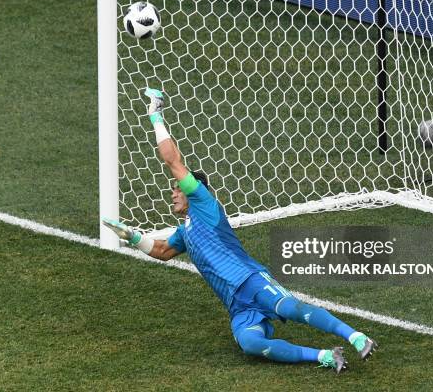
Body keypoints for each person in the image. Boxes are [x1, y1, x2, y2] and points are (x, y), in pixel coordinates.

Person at [103, 88, 376, 373]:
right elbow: (162, 251)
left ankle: (356, 336)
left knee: (291, 309)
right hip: (237, 304)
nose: (173, 194)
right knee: (250, 344)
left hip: (250, 280)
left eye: (177, 190)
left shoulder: (205, 207)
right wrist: (132, 237)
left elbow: (173, 161)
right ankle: (325, 356)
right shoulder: (184, 231)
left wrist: (156, 117)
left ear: (194, 192)